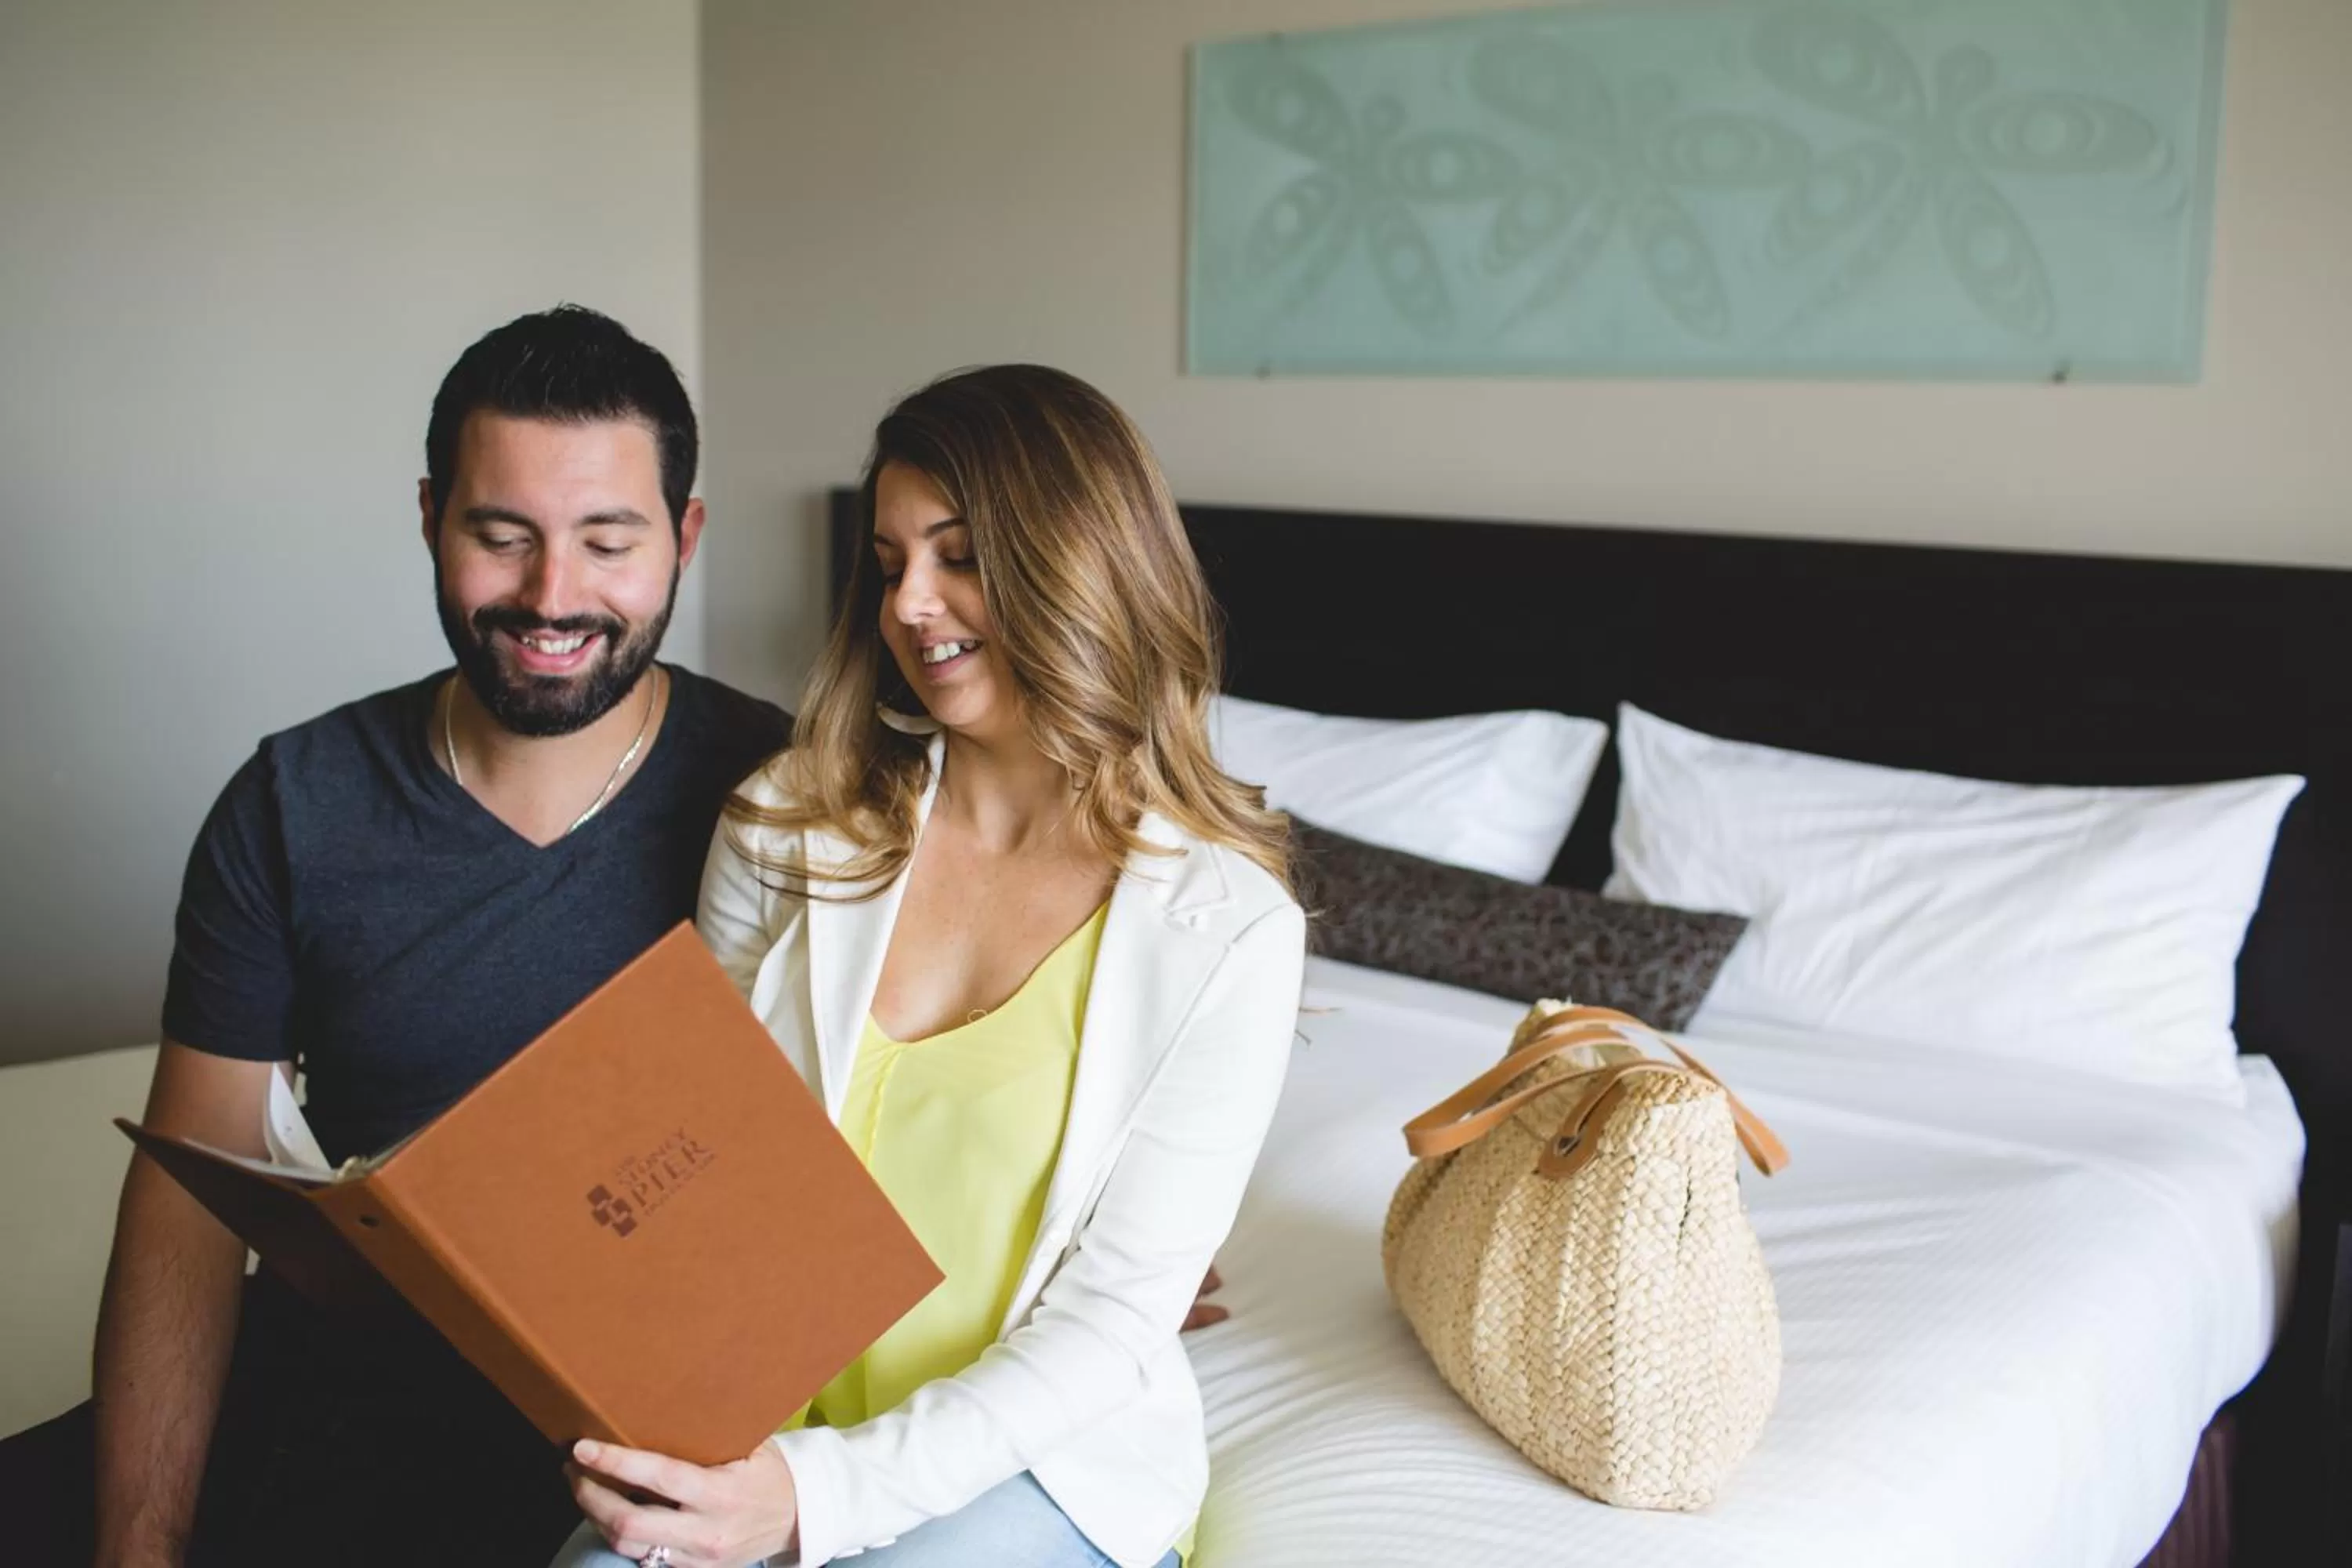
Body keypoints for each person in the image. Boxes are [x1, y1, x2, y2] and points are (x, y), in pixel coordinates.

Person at [9, 305, 793, 1567]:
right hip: (343, 1367)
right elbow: (191, 1193)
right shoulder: (293, 801)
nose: (552, 597)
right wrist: (138, 1547)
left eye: (608, 543)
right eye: (501, 536)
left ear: (684, 538)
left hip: (626, 1437)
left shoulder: (790, 790)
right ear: (431, 517)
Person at [554, 365, 1307, 1568]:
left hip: (1031, 1471)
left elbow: (1111, 1323)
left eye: (958, 555)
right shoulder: (787, 823)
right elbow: (698, 1164)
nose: (911, 602)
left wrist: (815, 1498)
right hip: (751, 1432)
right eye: (889, 557)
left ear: (1078, 562)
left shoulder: (1229, 931)